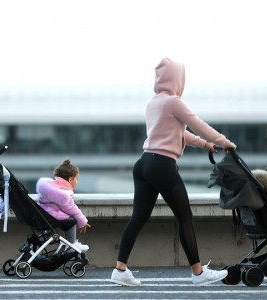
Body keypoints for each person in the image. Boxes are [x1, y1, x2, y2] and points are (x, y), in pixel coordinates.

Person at [110, 57, 237, 286]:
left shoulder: (153, 103)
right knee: (184, 217)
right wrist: (224, 142)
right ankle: (198, 273)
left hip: (144, 164)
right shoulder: (174, 102)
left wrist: (206, 145)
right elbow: (197, 124)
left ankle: (120, 270)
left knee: (137, 218)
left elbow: (179, 133)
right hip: (162, 165)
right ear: (178, 78)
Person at [36, 159, 91, 252]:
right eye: (76, 179)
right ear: (70, 179)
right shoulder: (64, 194)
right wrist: (82, 221)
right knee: (71, 220)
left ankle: (69, 244)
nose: (77, 182)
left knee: (67, 219)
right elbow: (72, 208)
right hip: (51, 217)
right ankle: (72, 245)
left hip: (44, 214)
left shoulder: (51, 187)